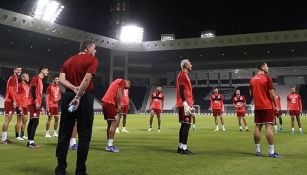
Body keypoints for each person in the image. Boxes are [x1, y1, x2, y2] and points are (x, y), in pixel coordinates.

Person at [55, 40, 98, 175]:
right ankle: (80, 171)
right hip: (83, 97)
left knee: (64, 133)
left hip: (68, 96)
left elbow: (61, 79)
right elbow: (86, 79)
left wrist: (73, 89)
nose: (95, 51)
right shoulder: (92, 59)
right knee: (84, 135)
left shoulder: (68, 60)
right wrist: (78, 95)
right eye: (94, 48)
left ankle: (60, 169)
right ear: (88, 48)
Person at [250, 62, 281, 158]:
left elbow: (251, 94)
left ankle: (257, 150)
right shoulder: (267, 78)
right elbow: (272, 94)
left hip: (258, 106)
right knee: (269, 127)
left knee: (257, 127)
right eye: (267, 66)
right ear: (262, 67)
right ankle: (271, 152)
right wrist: (276, 106)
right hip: (267, 106)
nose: (268, 67)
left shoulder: (252, 79)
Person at [101, 79, 131, 153]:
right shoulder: (122, 82)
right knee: (114, 122)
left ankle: (109, 144)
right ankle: (110, 146)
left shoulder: (116, 81)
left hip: (104, 102)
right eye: (128, 83)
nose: (129, 85)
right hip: (110, 102)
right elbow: (119, 93)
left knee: (109, 124)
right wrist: (119, 105)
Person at [27, 66, 49, 148]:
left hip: (37, 103)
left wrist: (42, 106)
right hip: (33, 103)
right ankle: (31, 143)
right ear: (42, 70)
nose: (48, 72)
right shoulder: (35, 78)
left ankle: (29, 142)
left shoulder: (41, 81)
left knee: (32, 122)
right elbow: (32, 90)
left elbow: (39, 94)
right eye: (47, 70)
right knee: (35, 122)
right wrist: (36, 102)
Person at [176, 59, 194, 154]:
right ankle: (184, 148)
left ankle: (180, 147)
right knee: (186, 125)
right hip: (184, 104)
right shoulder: (183, 75)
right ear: (185, 65)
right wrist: (185, 103)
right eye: (190, 63)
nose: (191, 65)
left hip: (185, 103)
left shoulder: (184, 75)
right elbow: (181, 90)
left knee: (184, 125)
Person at [1, 66, 22, 144]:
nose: (19, 71)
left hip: (11, 101)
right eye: (18, 70)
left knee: (8, 120)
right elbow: (10, 89)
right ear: (14, 70)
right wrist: (14, 101)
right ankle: (3, 140)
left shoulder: (15, 79)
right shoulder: (12, 78)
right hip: (9, 101)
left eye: (20, 70)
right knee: (7, 120)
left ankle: (5, 138)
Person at [15, 73, 30, 140]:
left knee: (25, 121)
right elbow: (17, 96)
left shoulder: (27, 86)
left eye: (28, 77)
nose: (28, 78)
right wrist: (19, 106)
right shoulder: (20, 85)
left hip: (26, 106)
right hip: (20, 105)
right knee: (19, 121)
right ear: (23, 78)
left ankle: (22, 135)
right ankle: (17, 136)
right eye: (27, 77)